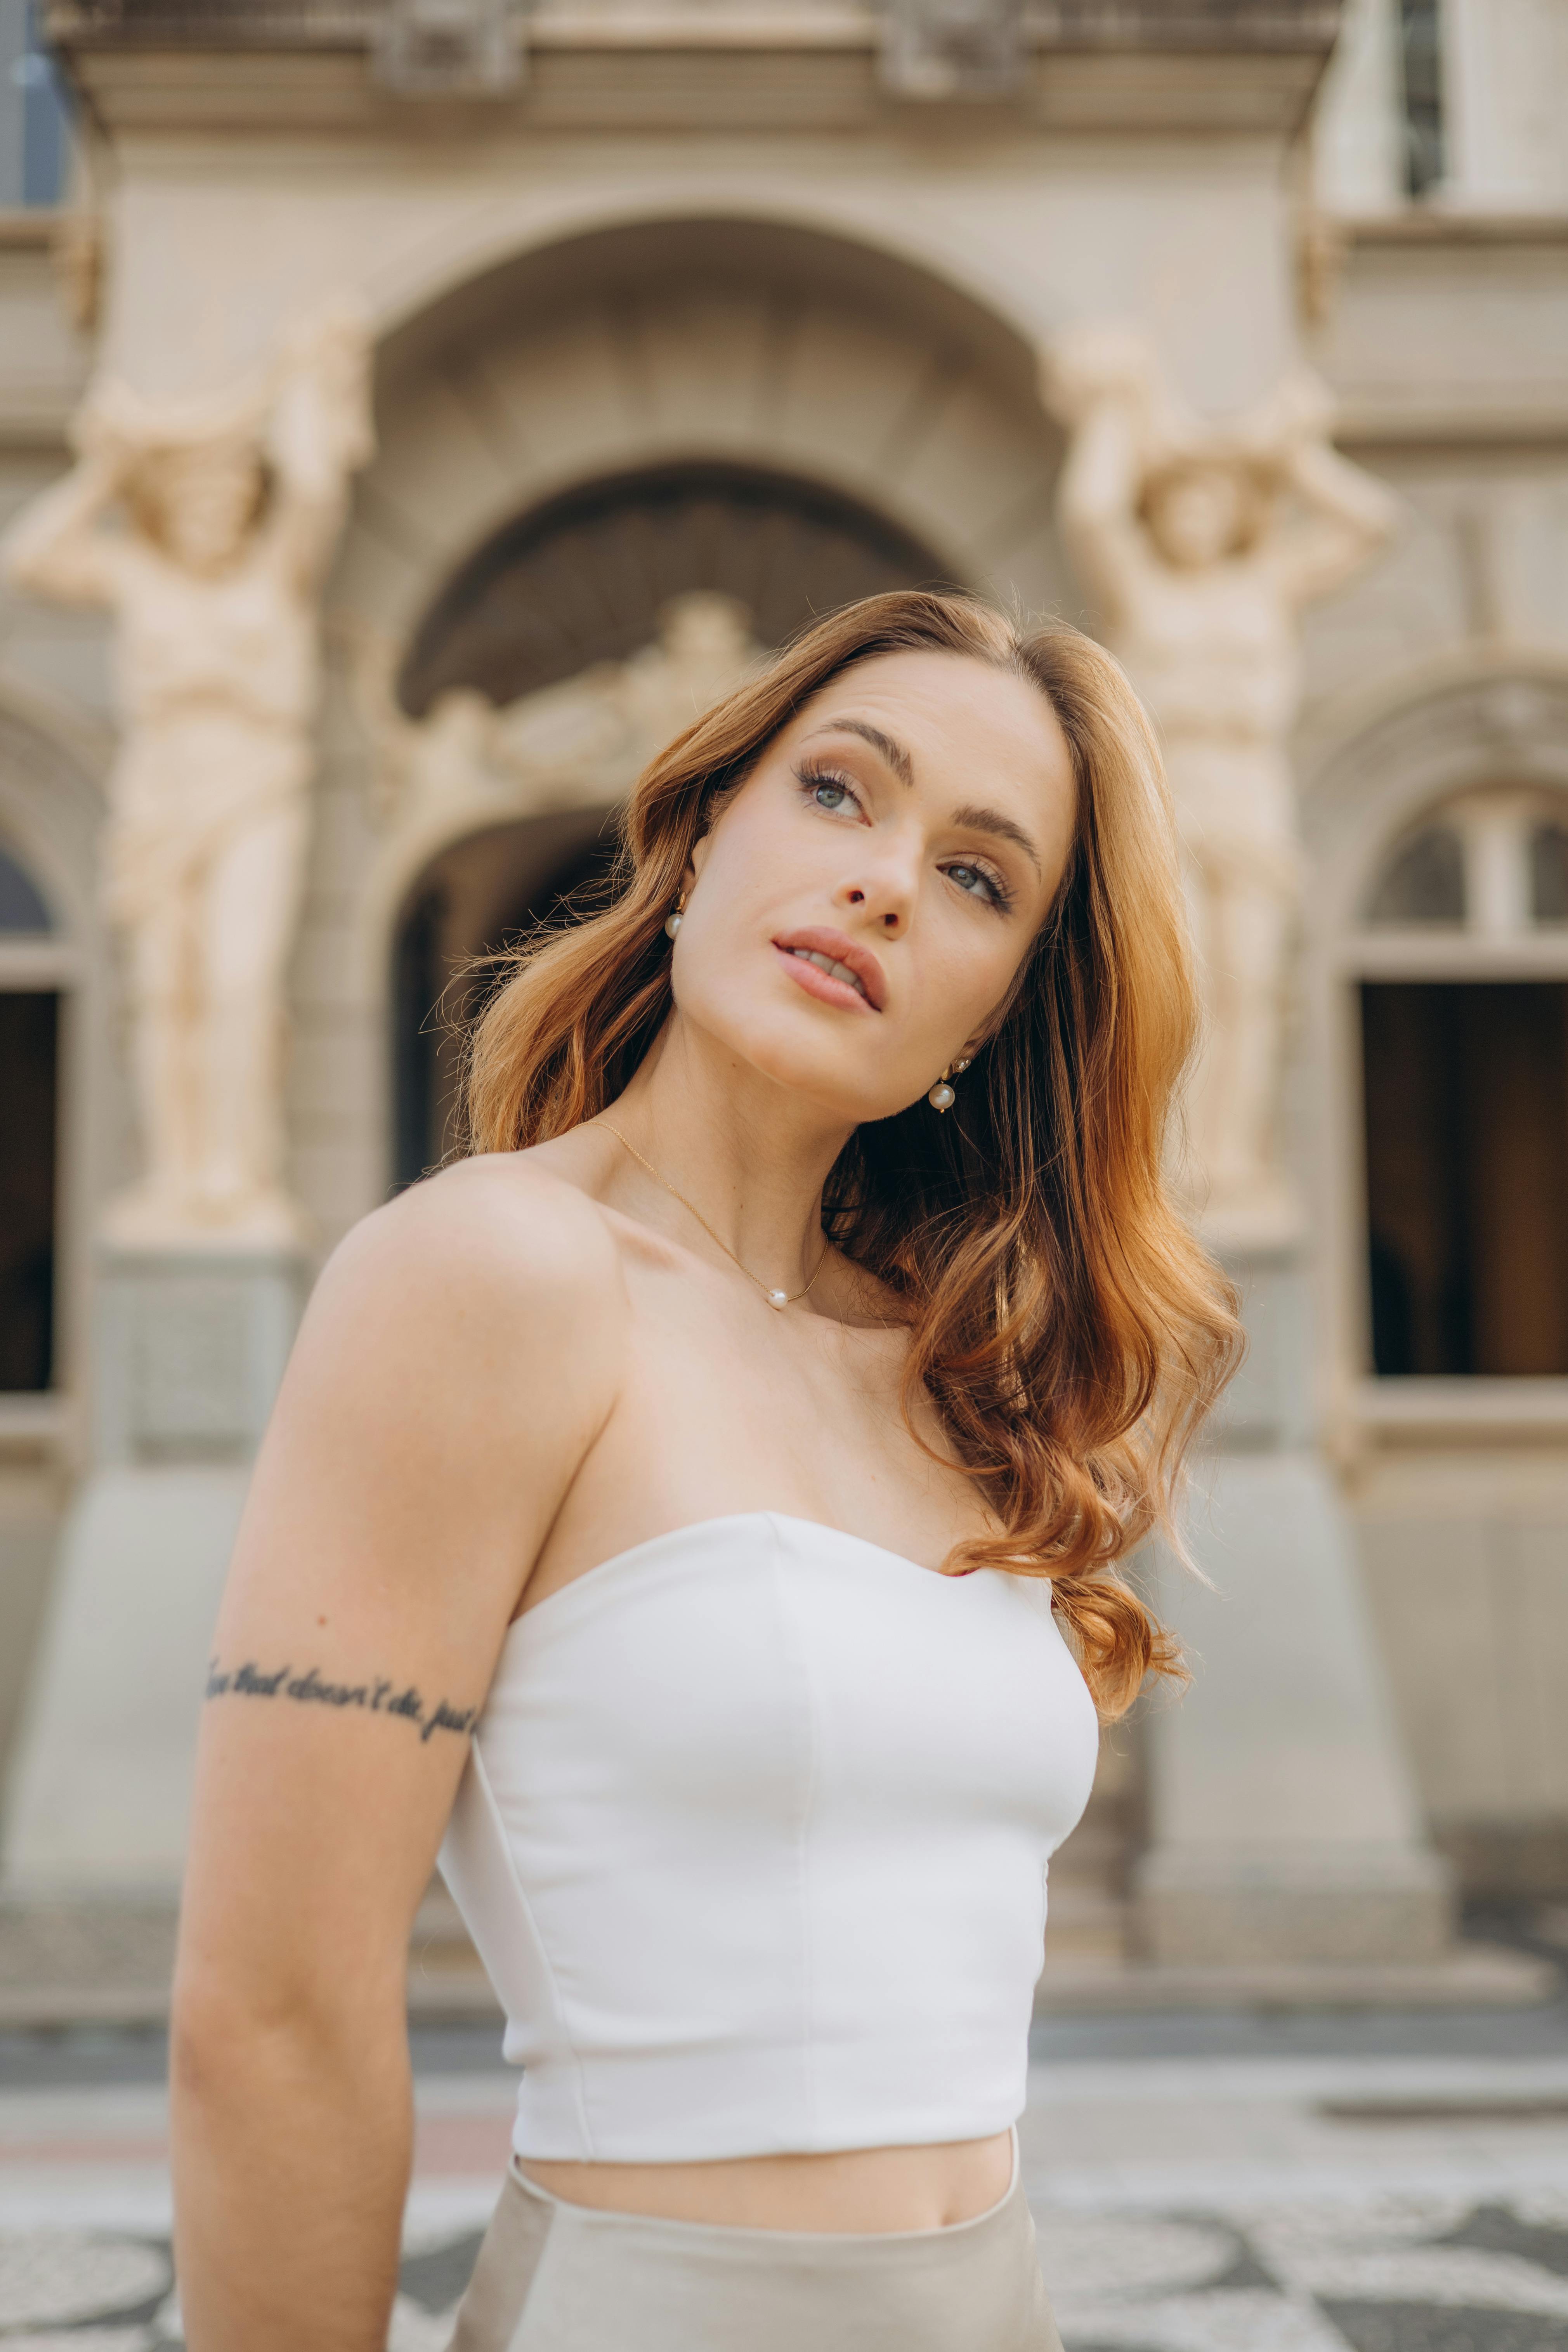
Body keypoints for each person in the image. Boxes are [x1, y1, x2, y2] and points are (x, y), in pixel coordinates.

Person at [170, 591, 1239, 2350]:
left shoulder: (954, 1370)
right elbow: (272, 2008)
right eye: (838, 793)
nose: (887, 879)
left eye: (976, 878)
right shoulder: (487, 1278)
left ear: (991, 1013)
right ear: (698, 835)